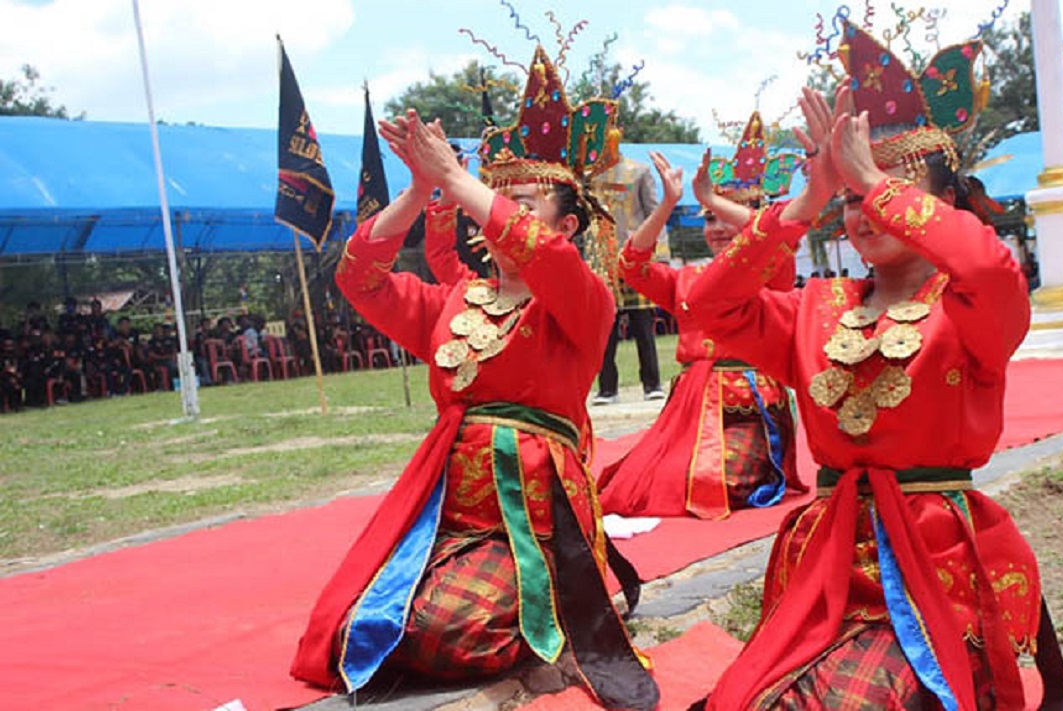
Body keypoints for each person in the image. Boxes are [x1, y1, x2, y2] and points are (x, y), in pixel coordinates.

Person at [687, 21, 1063, 711]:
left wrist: (867, 174)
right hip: (827, 557)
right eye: (852, 200)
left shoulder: (972, 306)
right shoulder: (814, 307)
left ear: (943, 203)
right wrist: (806, 201)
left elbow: (986, 259)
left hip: (935, 560)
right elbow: (706, 309)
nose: (866, 210)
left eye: (888, 189)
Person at [291, 46, 658, 711]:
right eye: (497, 200)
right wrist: (417, 191)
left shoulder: (580, 300)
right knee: (360, 627)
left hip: (535, 526)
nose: (499, 215)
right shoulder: (452, 301)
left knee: (445, 629)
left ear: (567, 224)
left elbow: (540, 254)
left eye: (522, 202)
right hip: (450, 521)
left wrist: (461, 181)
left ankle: (549, 612)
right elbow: (358, 278)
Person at [597, 114, 808, 520]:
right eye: (709, 218)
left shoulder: (774, 269)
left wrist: (716, 201)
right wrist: (667, 204)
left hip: (749, 411)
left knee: (715, 483)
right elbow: (631, 265)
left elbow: (775, 231)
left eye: (729, 217)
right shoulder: (687, 279)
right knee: (637, 484)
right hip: (691, 409)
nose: (718, 228)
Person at [590, 155, 666, 405]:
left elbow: (655, 213)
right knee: (604, 327)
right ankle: (607, 389)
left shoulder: (640, 171)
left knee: (643, 324)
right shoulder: (589, 177)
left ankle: (652, 384)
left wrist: (660, 255)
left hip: (635, 256)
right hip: (602, 259)